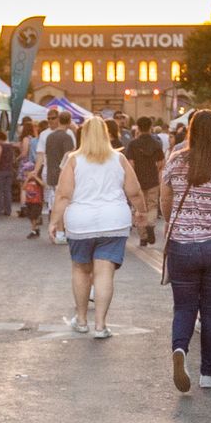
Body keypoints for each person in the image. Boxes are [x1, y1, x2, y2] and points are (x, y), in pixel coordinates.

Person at [159, 110, 211, 392]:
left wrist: (175, 223)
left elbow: (165, 201)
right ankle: (207, 374)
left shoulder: (175, 160)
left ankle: (180, 350)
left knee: (183, 306)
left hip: (182, 245)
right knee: (210, 310)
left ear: (191, 130)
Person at [49, 115, 142, 338]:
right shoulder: (119, 159)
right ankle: (100, 325)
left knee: (81, 269)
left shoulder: (73, 160)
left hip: (81, 223)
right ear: (106, 134)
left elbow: (63, 195)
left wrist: (54, 221)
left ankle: (81, 320)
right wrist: (141, 213)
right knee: (104, 272)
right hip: (114, 221)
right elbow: (134, 191)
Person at [123, 116, 167, 247]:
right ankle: (151, 225)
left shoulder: (132, 144)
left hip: (137, 180)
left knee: (139, 207)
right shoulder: (156, 144)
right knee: (152, 205)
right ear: (150, 127)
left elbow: (131, 163)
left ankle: (143, 237)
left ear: (138, 127)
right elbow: (161, 163)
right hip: (153, 179)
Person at [41, 111, 77, 237]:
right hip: (63, 175)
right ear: (69, 121)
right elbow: (69, 156)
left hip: (51, 173)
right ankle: (62, 231)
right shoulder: (67, 137)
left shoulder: (50, 136)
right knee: (64, 205)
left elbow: (46, 155)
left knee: (56, 203)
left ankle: (59, 232)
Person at [0, 130, 18, 216]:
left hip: (1, 170)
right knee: (8, 190)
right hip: (9, 170)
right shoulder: (10, 146)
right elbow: (14, 159)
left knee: (0, 190)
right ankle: (8, 210)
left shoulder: (0, 146)